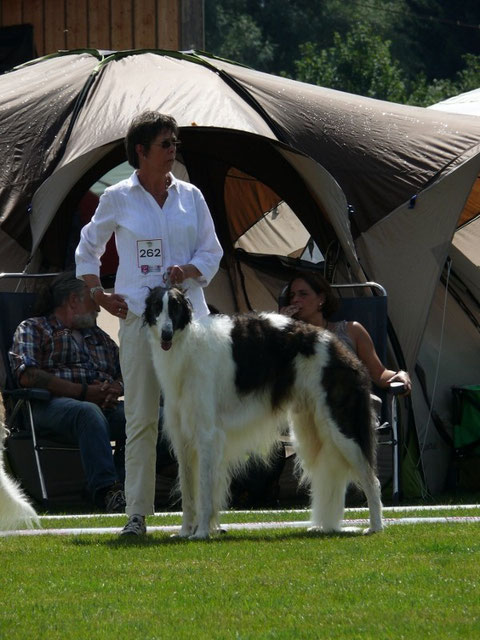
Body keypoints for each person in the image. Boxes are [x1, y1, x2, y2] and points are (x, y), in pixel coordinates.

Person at [75, 111, 223, 536]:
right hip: (140, 320)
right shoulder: (117, 197)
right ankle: (136, 515)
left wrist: (188, 269)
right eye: (165, 143)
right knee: (141, 417)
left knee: (197, 419)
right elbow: (88, 249)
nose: (173, 150)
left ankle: (200, 516)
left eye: (176, 143)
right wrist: (98, 293)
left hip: (190, 326)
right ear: (140, 151)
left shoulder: (191, 196)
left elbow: (211, 252)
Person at [8, 272, 127, 512]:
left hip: (102, 405)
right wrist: (84, 392)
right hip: (49, 407)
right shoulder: (34, 328)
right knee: (88, 412)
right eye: (94, 303)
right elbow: (27, 374)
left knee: (150, 417)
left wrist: (116, 387)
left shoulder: (99, 337)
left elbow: (127, 370)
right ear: (73, 300)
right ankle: (107, 491)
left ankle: (127, 487)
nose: (99, 310)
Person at [280, 272, 412, 393]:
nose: (295, 300)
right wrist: (281, 328)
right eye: (292, 296)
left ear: (321, 299)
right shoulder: (288, 336)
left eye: (303, 294)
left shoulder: (352, 330)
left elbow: (379, 374)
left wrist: (399, 375)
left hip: (350, 407)